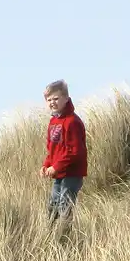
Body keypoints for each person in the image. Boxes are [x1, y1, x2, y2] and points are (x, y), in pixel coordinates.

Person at [39, 79, 88, 234]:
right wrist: (46, 165)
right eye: (49, 100)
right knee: (53, 204)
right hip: (59, 173)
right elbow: (52, 149)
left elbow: (74, 151)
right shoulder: (53, 121)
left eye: (56, 98)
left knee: (65, 204)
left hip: (72, 173)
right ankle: (50, 233)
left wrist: (56, 167)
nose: (52, 102)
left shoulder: (72, 122)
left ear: (66, 99)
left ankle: (64, 234)